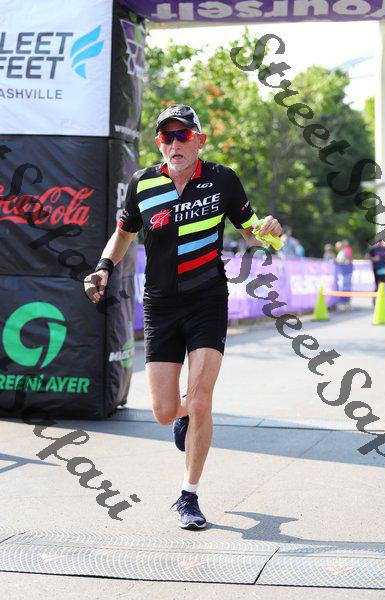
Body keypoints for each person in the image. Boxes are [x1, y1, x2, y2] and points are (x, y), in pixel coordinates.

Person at [84, 103, 282, 530]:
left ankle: (188, 495)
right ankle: (183, 415)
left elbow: (251, 231)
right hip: (160, 304)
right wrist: (103, 268)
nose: (174, 143)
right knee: (163, 411)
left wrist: (269, 230)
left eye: (183, 135)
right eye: (166, 137)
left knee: (203, 397)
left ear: (199, 141)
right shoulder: (142, 183)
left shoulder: (222, 179)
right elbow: (123, 234)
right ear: (159, 143)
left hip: (207, 299)